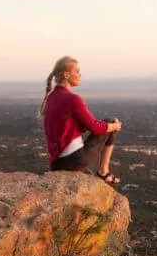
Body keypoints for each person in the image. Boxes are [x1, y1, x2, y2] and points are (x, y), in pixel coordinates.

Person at [40, 56, 123, 184]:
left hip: (56, 163)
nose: (80, 75)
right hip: (74, 159)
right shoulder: (72, 99)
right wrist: (115, 126)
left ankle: (102, 172)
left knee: (106, 124)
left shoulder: (51, 97)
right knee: (109, 122)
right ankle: (103, 172)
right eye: (77, 71)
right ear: (67, 75)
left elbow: (67, 128)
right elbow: (95, 127)